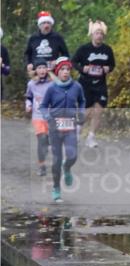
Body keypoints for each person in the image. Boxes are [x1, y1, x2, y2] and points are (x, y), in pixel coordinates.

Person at [39, 57, 85, 203]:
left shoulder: (76, 86)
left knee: (72, 156)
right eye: (62, 70)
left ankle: (67, 168)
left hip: (70, 125)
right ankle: (56, 188)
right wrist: (47, 117)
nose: (65, 72)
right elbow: (44, 106)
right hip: (55, 127)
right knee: (56, 160)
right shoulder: (52, 88)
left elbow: (82, 100)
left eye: (68, 69)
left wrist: (81, 112)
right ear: (58, 72)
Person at [71, 20, 116, 148]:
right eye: (97, 33)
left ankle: (91, 137)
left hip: (100, 84)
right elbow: (73, 62)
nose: (99, 36)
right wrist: (82, 69)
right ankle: (77, 131)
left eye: (101, 33)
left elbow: (112, 64)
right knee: (87, 111)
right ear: (92, 34)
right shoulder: (84, 49)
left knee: (98, 110)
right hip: (85, 83)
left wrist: (109, 68)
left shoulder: (107, 50)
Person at [25, 63, 53, 176]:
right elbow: (29, 97)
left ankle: (47, 146)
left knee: (46, 142)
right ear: (36, 70)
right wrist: (28, 105)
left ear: (47, 69)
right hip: (37, 116)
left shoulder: (52, 83)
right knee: (41, 140)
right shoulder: (31, 84)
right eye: (39, 68)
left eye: (43, 67)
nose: (42, 70)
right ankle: (42, 166)